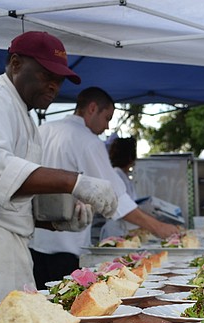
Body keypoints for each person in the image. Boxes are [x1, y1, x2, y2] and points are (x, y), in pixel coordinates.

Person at [0, 31, 118, 302]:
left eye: (59, 80)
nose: (54, 86)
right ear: (16, 64)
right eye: (46, 75)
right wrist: (75, 181)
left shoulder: (21, 114)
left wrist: (55, 219)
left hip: (5, 248)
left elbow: (10, 194)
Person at [30, 88, 178, 287]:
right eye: (107, 118)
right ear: (92, 109)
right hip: (67, 246)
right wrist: (158, 227)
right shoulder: (87, 141)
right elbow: (115, 198)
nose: (107, 127)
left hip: (34, 243)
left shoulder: (43, 130)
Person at [99, 137, 178, 240]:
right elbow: (122, 207)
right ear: (130, 156)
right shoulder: (116, 175)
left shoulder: (125, 176)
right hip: (116, 230)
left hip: (127, 229)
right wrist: (157, 226)